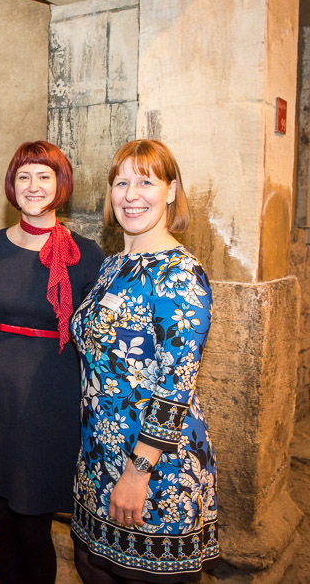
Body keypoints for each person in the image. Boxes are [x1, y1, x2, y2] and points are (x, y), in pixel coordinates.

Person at [0, 141, 105, 583]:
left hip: (51, 401)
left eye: (44, 176)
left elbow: (96, 341)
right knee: (0, 520)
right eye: (24, 176)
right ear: (11, 185)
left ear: (61, 184)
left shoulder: (86, 254)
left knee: (35, 526)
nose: (33, 186)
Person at [70, 139, 219, 582]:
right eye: (121, 183)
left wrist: (137, 474)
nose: (131, 195)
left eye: (146, 183)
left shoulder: (180, 274)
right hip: (100, 455)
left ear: (171, 191)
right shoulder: (113, 265)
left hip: (155, 468)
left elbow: (176, 387)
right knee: (91, 569)